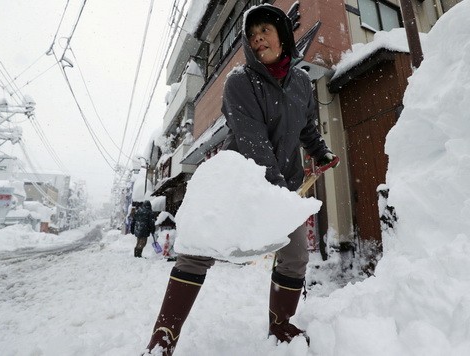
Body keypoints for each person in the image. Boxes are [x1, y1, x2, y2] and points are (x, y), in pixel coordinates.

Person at [145, 4, 338, 354]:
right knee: (196, 251)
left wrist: (320, 151)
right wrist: (279, 192)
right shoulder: (239, 82)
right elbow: (253, 142)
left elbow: (306, 125)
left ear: (282, 35)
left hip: (285, 183)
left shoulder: (301, 83)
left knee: (294, 257)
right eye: (251, 35)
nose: (257, 38)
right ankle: (163, 336)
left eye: (264, 30)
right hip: (241, 181)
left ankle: (280, 327)